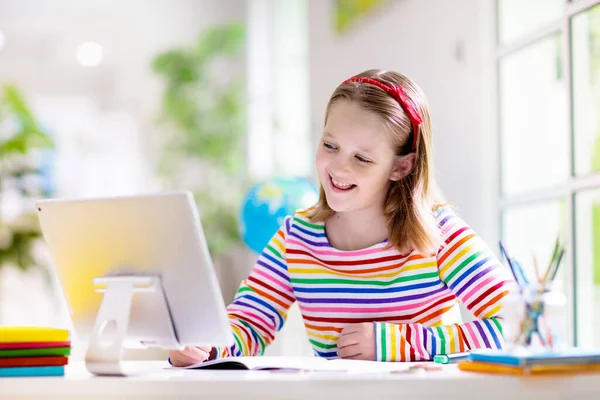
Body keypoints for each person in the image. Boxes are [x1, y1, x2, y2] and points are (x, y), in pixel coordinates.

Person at [169, 69, 513, 366]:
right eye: (330, 146)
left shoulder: (439, 236)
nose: (337, 168)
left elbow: (518, 324)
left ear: (401, 166)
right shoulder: (295, 238)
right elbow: (249, 324)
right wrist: (204, 346)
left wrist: (395, 344)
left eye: (362, 158)